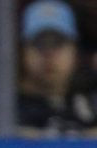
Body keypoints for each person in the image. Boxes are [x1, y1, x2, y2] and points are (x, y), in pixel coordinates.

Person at [13, 0, 97, 137]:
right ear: (23, 52)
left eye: (58, 43)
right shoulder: (7, 111)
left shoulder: (91, 104)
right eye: (39, 44)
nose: (49, 55)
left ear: (74, 51)